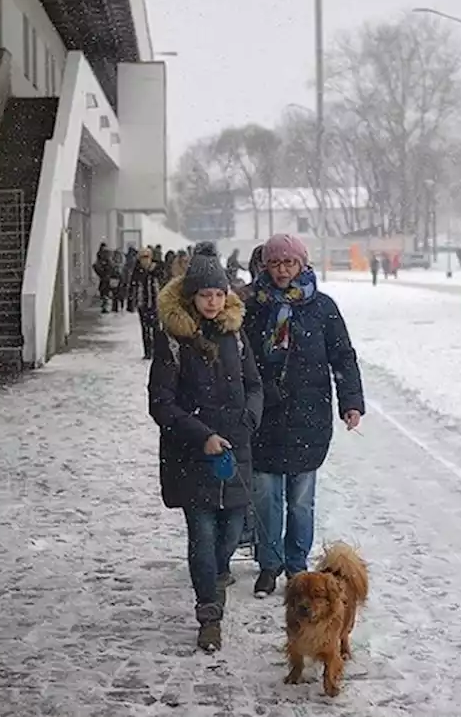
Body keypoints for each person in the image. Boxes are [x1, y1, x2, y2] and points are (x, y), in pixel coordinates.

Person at [148, 244, 262, 653]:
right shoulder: (174, 341)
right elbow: (160, 403)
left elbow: (254, 385)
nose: (212, 302)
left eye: (218, 294)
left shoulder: (236, 334)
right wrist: (202, 435)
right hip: (192, 454)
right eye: (204, 295)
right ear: (191, 296)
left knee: (230, 533)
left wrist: (249, 418)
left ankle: (214, 581)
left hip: (236, 450)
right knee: (202, 535)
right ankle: (209, 613)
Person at [244, 233, 364, 598]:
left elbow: (342, 356)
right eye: (275, 263)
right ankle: (269, 563)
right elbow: (239, 360)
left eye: (289, 263)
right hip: (264, 415)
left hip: (308, 416)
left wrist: (351, 401)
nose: (282, 271)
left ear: (302, 264)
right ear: (265, 265)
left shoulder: (322, 307)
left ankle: (296, 565)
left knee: (300, 498)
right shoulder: (250, 306)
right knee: (266, 496)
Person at [127, 248, 165, 359]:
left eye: (147, 257)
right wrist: (131, 302)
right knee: (145, 329)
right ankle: (148, 352)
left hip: (155, 303)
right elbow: (132, 286)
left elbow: (163, 282)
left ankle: (157, 351)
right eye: (142, 257)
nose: (145, 260)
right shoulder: (137, 270)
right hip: (142, 303)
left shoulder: (157, 268)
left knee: (156, 329)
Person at [93, 242, 115, 314]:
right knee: (105, 292)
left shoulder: (102, 255)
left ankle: (105, 306)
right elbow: (110, 265)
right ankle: (106, 306)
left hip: (104, 277)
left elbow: (109, 265)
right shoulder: (106, 256)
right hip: (105, 277)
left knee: (104, 292)